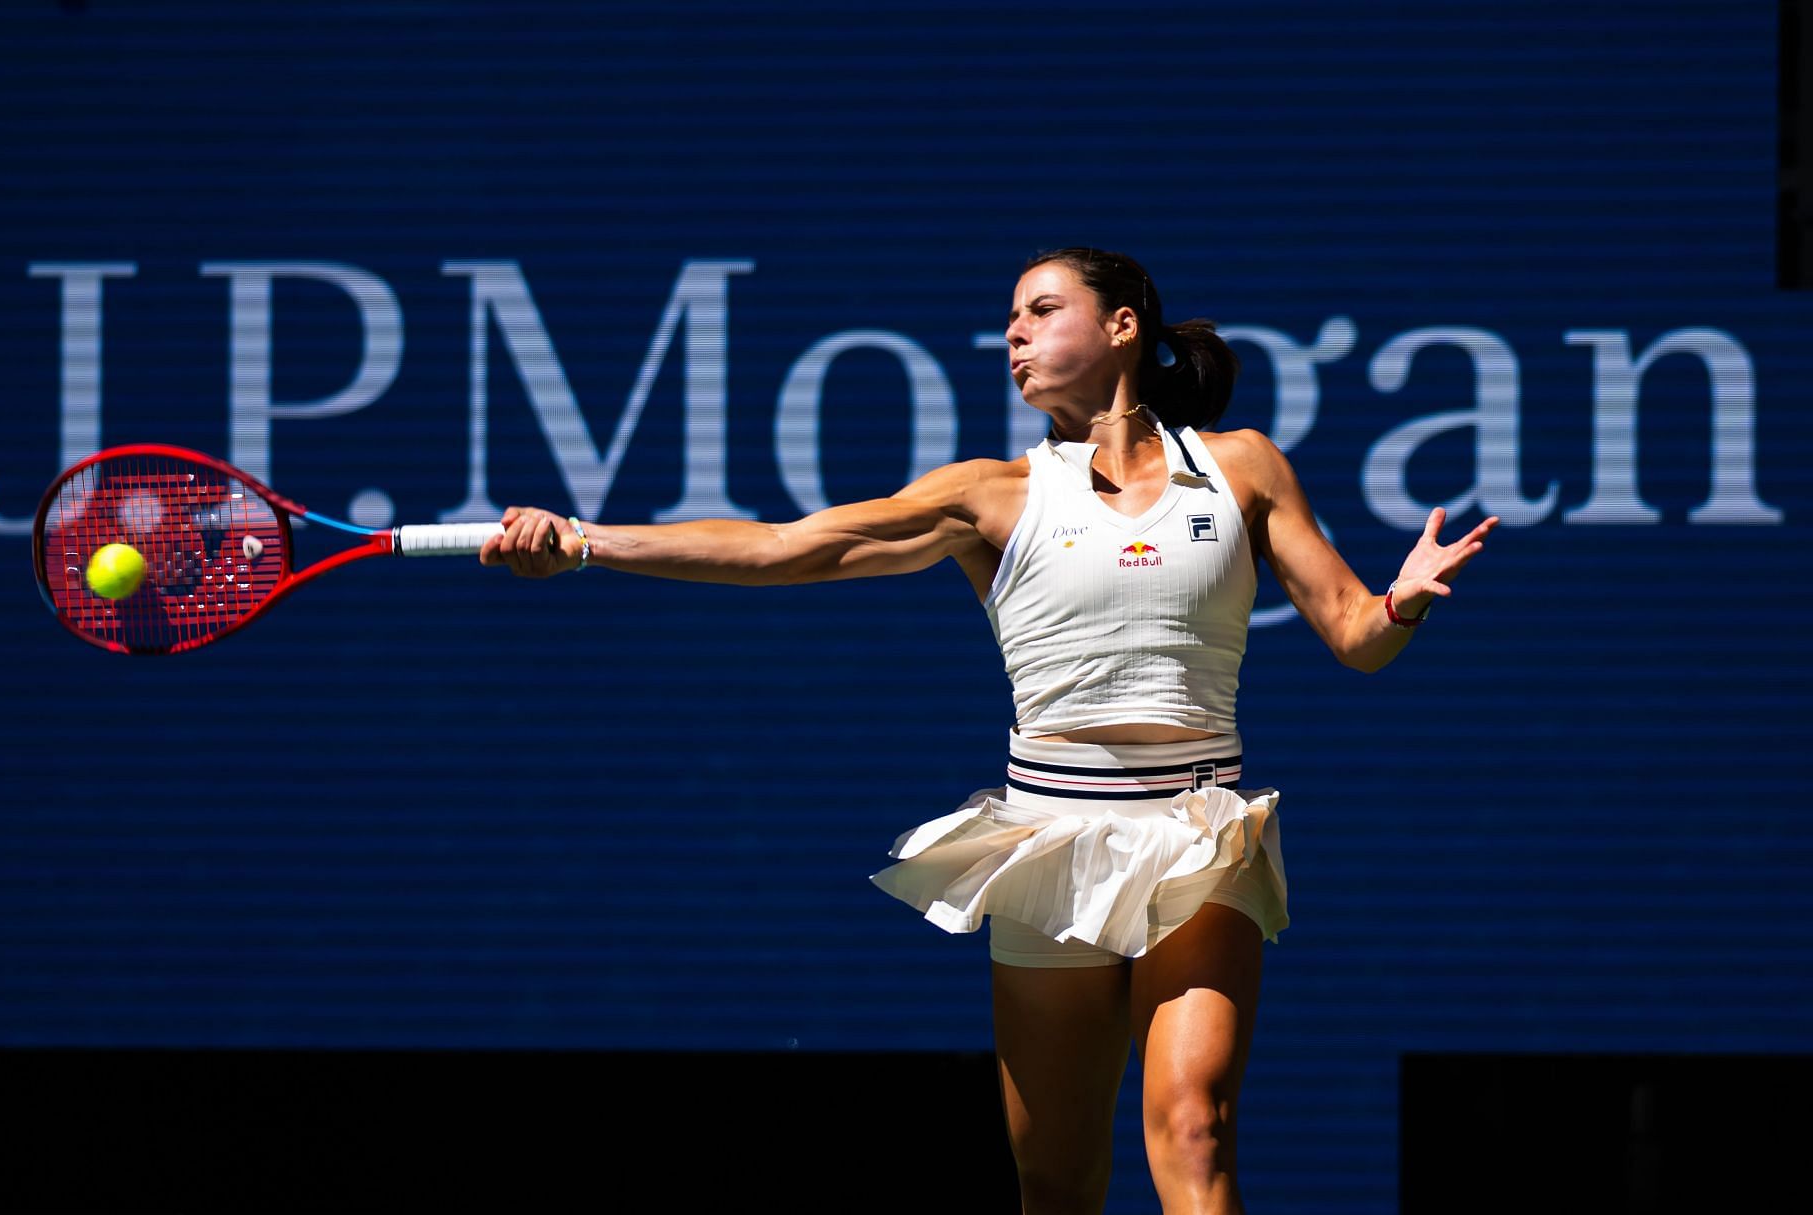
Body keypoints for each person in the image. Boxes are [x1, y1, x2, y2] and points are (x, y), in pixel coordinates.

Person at [479, 247, 1497, 1215]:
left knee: (1196, 1127)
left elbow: (1358, 636)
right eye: (1008, 321)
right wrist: (584, 544)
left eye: (1040, 311)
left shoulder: (1242, 469)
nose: (1012, 336)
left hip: (1201, 839)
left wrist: (1403, 599)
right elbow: (785, 549)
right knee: (1055, 1180)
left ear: (1124, 327)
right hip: (1047, 844)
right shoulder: (989, 497)